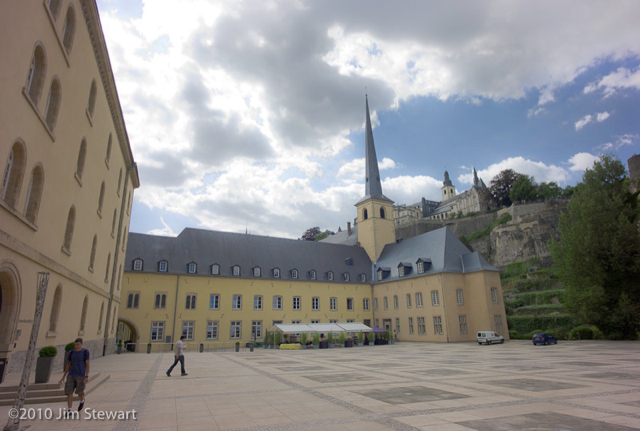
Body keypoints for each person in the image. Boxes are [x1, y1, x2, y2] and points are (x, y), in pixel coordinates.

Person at [59, 338, 90, 415]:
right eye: (75, 345)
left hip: (80, 375)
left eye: (78, 344)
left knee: (79, 392)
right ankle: (69, 409)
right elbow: (68, 364)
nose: (76, 346)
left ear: (81, 344)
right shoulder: (71, 352)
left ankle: (82, 400)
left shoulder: (85, 352)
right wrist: (64, 376)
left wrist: (86, 376)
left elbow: (87, 364)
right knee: (69, 392)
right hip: (71, 374)